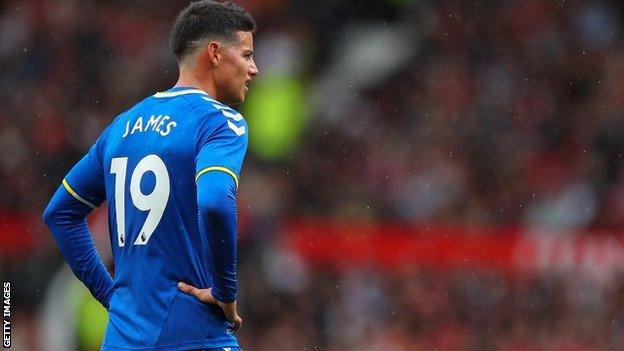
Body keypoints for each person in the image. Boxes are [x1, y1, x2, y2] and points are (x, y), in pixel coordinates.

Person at [43, 1, 258, 349]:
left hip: (122, 338)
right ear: (215, 53)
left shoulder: (122, 127)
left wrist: (111, 297)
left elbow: (60, 213)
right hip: (192, 335)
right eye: (247, 54)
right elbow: (216, 202)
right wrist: (225, 292)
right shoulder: (220, 121)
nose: (254, 68)